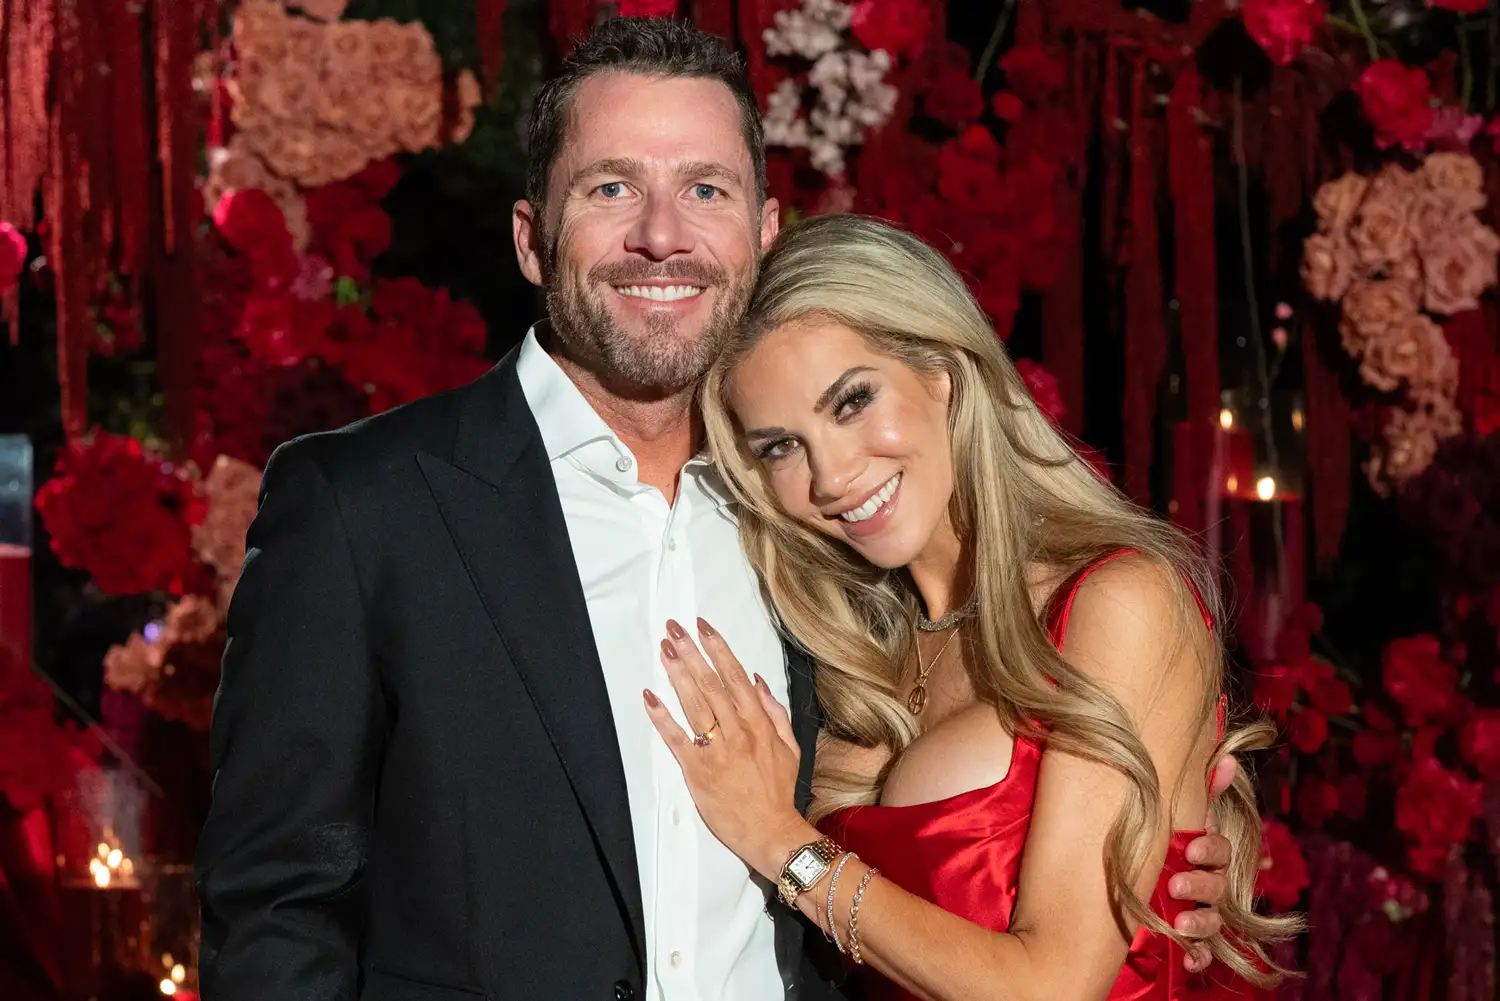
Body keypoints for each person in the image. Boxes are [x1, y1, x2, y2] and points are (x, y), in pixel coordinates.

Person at [194, 18, 1241, 1001]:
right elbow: (277, 911)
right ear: (530, 237)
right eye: (612, 187)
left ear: (764, 231)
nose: (662, 235)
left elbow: (998, 799)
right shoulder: (364, 508)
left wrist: (1179, 825)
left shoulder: (818, 530)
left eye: (705, 188)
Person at [643, 214, 1303, 1001]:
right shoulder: (834, 649)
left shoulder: (1117, 600)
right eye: (781, 445)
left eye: (852, 401)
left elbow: (1054, 987)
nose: (832, 475)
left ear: (945, 371)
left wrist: (784, 844)